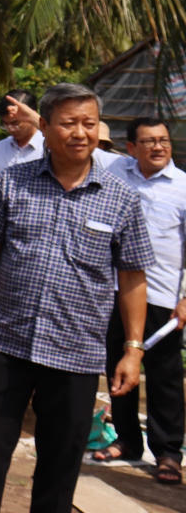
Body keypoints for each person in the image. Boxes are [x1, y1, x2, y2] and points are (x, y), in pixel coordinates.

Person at [0, 83, 155, 513]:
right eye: (68, 123)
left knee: (59, 474)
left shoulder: (120, 199)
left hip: (76, 354)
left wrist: (132, 350)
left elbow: (133, 278)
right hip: (5, 347)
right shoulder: (13, 183)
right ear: (44, 126)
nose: (80, 133)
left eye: (88, 123)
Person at [91, 118, 186, 485]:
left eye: (163, 141)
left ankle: (167, 452)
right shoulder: (118, 171)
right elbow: (76, 139)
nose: (158, 147)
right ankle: (128, 440)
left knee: (164, 376)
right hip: (115, 291)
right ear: (131, 148)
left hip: (163, 295)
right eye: (148, 142)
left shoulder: (182, 187)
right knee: (117, 367)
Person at [0, 89, 44, 184]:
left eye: (15, 123)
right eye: (5, 124)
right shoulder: (0, 148)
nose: (10, 129)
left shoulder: (50, 146)